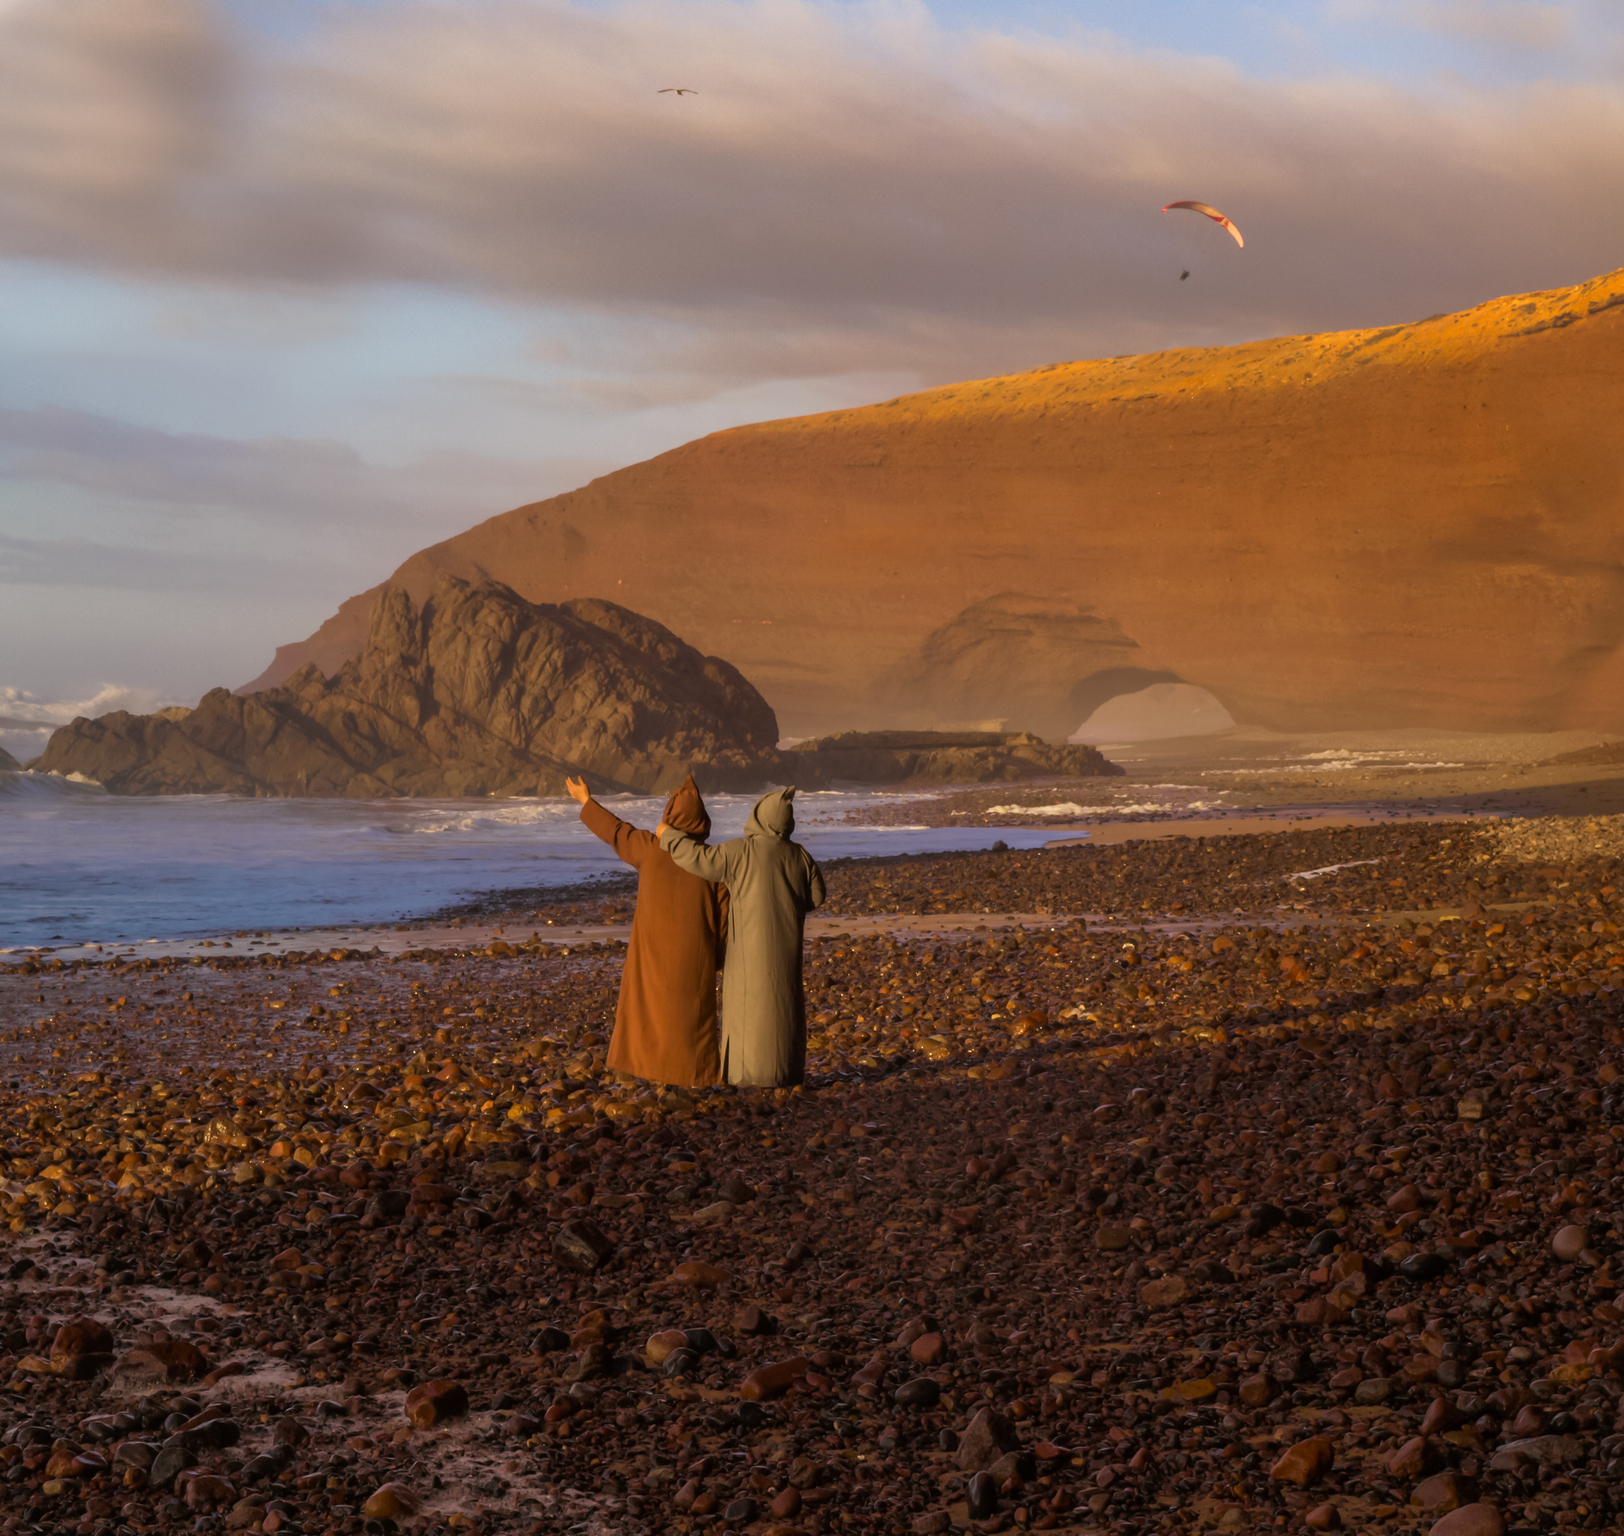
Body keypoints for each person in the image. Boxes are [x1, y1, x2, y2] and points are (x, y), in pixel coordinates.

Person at [566, 772, 726, 1088]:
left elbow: (615, 831)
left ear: (670, 815)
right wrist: (718, 958)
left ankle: (646, 1067)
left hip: (652, 952)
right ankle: (699, 1076)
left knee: (647, 1009)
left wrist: (586, 800)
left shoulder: (651, 849)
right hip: (695, 954)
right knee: (694, 1019)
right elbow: (725, 919)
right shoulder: (712, 862)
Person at [658, 786, 825, 1087]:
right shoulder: (800, 856)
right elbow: (816, 897)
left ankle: (747, 1076)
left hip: (747, 948)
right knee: (784, 1004)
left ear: (759, 817)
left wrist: (667, 835)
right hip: (787, 949)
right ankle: (787, 1072)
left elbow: (697, 858)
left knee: (748, 1007)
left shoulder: (740, 852)